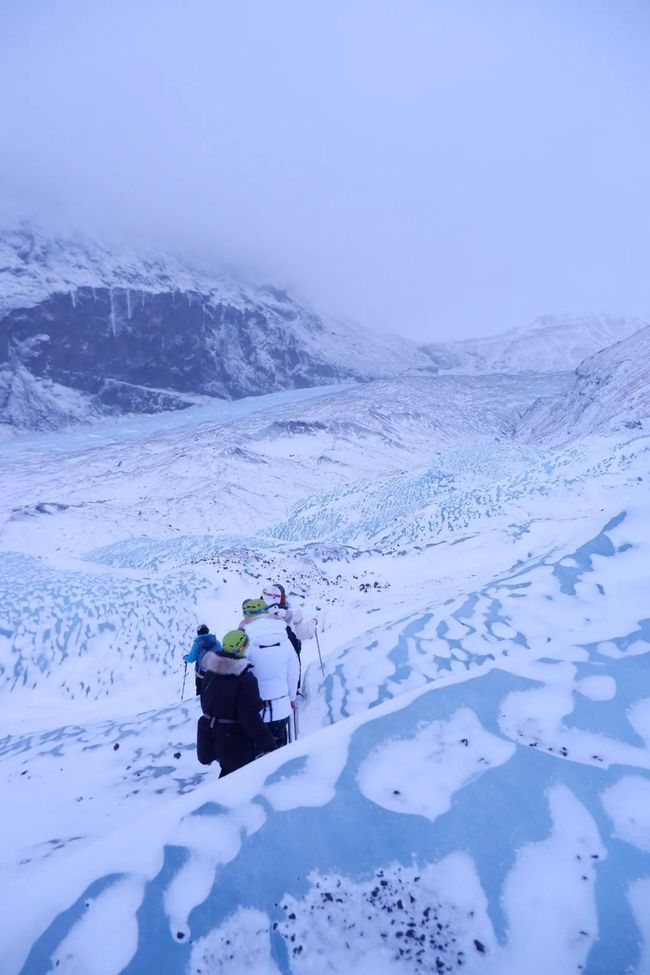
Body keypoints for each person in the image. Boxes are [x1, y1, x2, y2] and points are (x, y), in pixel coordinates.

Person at [199, 629, 275, 778]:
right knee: (237, 780)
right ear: (241, 649)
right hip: (235, 740)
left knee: (227, 772)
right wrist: (268, 743)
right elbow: (249, 718)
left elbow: (205, 703)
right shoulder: (245, 680)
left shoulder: (209, 674)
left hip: (212, 734)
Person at [240, 598, 300, 749]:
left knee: (258, 754)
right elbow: (293, 671)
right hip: (281, 705)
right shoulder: (283, 635)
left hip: (254, 710)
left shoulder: (244, 639)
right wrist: (292, 697)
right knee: (280, 752)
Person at [261, 583, 318, 680]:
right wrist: (312, 623)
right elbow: (301, 633)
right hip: (289, 655)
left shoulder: (256, 614)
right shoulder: (288, 616)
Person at [184, 624, 221, 695]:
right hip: (214, 672)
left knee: (200, 691)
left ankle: (199, 705)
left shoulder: (197, 644)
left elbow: (191, 659)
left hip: (201, 673)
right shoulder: (216, 642)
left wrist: (185, 658)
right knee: (213, 690)